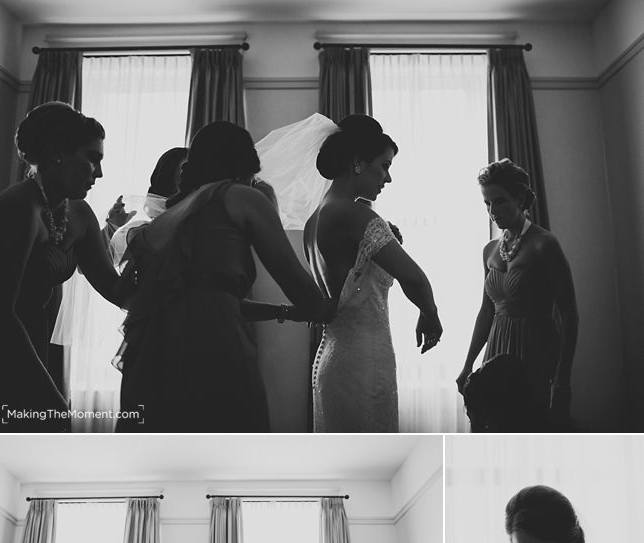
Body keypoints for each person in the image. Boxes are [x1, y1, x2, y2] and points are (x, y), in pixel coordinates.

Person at [116, 121, 332, 432]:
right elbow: (295, 283)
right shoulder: (241, 197)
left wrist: (284, 312)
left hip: (153, 357)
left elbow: (208, 296)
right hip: (212, 347)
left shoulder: (168, 218)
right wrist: (325, 308)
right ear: (247, 164)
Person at [304, 114, 442, 432]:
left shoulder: (314, 221)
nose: (388, 178)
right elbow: (414, 277)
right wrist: (430, 313)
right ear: (358, 163)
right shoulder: (356, 214)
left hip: (332, 356)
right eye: (384, 166)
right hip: (363, 360)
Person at [0, 102, 127, 431]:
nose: (99, 173)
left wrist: (153, 256)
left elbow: (116, 289)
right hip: (6, 345)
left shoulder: (79, 214)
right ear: (57, 154)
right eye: (92, 158)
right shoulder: (19, 207)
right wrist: (46, 390)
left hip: (34, 341)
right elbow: (1, 313)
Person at [457, 159, 578, 426]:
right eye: (487, 203)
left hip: (534, 351)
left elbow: (569, 314)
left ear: (520, 198)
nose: (492, 211)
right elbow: (486, 310)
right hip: (496, 352)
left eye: (499, 201)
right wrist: (468, 364)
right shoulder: (489, 251)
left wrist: (562, 378)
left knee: (529, 425)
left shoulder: (544, 245)